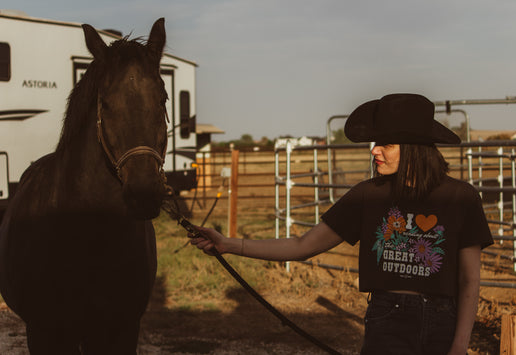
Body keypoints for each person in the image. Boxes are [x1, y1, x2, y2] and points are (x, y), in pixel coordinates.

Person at [189, 93, 494, 355]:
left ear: (414, 146)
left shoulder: (461, 197)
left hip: (443, 320)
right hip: (388, 320)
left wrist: (460, 344)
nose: (374, 149)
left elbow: (469, 279)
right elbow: (302, 245)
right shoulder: (367, 196)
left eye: (385, 144)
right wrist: (228, 244)